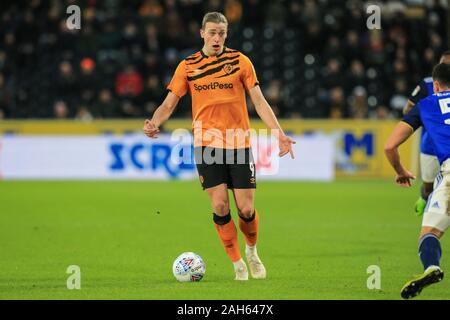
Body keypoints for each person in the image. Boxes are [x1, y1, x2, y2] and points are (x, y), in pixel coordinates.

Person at [143, 12, 295, 281]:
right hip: (206, 144)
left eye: (221, 33)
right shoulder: (188, 66)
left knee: (246, 210)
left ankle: (251, 251)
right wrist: (154, 122)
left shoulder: (240, 62)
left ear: (227, 34)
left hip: (239, 143)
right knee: (221, 207)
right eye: (212, 32)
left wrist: (279, 134)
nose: (216, 38)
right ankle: (237, 264)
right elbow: (169, 103)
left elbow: (259, 101)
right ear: (202, 33)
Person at [384, 62, 450, 299]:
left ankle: (432, 267)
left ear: (434, 85)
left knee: (429, 234)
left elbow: (389, 145)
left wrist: (401, 170)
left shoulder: (426, 105)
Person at [403, 51, 450, 216]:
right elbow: (407, 109)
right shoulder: (427, 84)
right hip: (430, 146)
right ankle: (424, 198)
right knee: (428, 187)